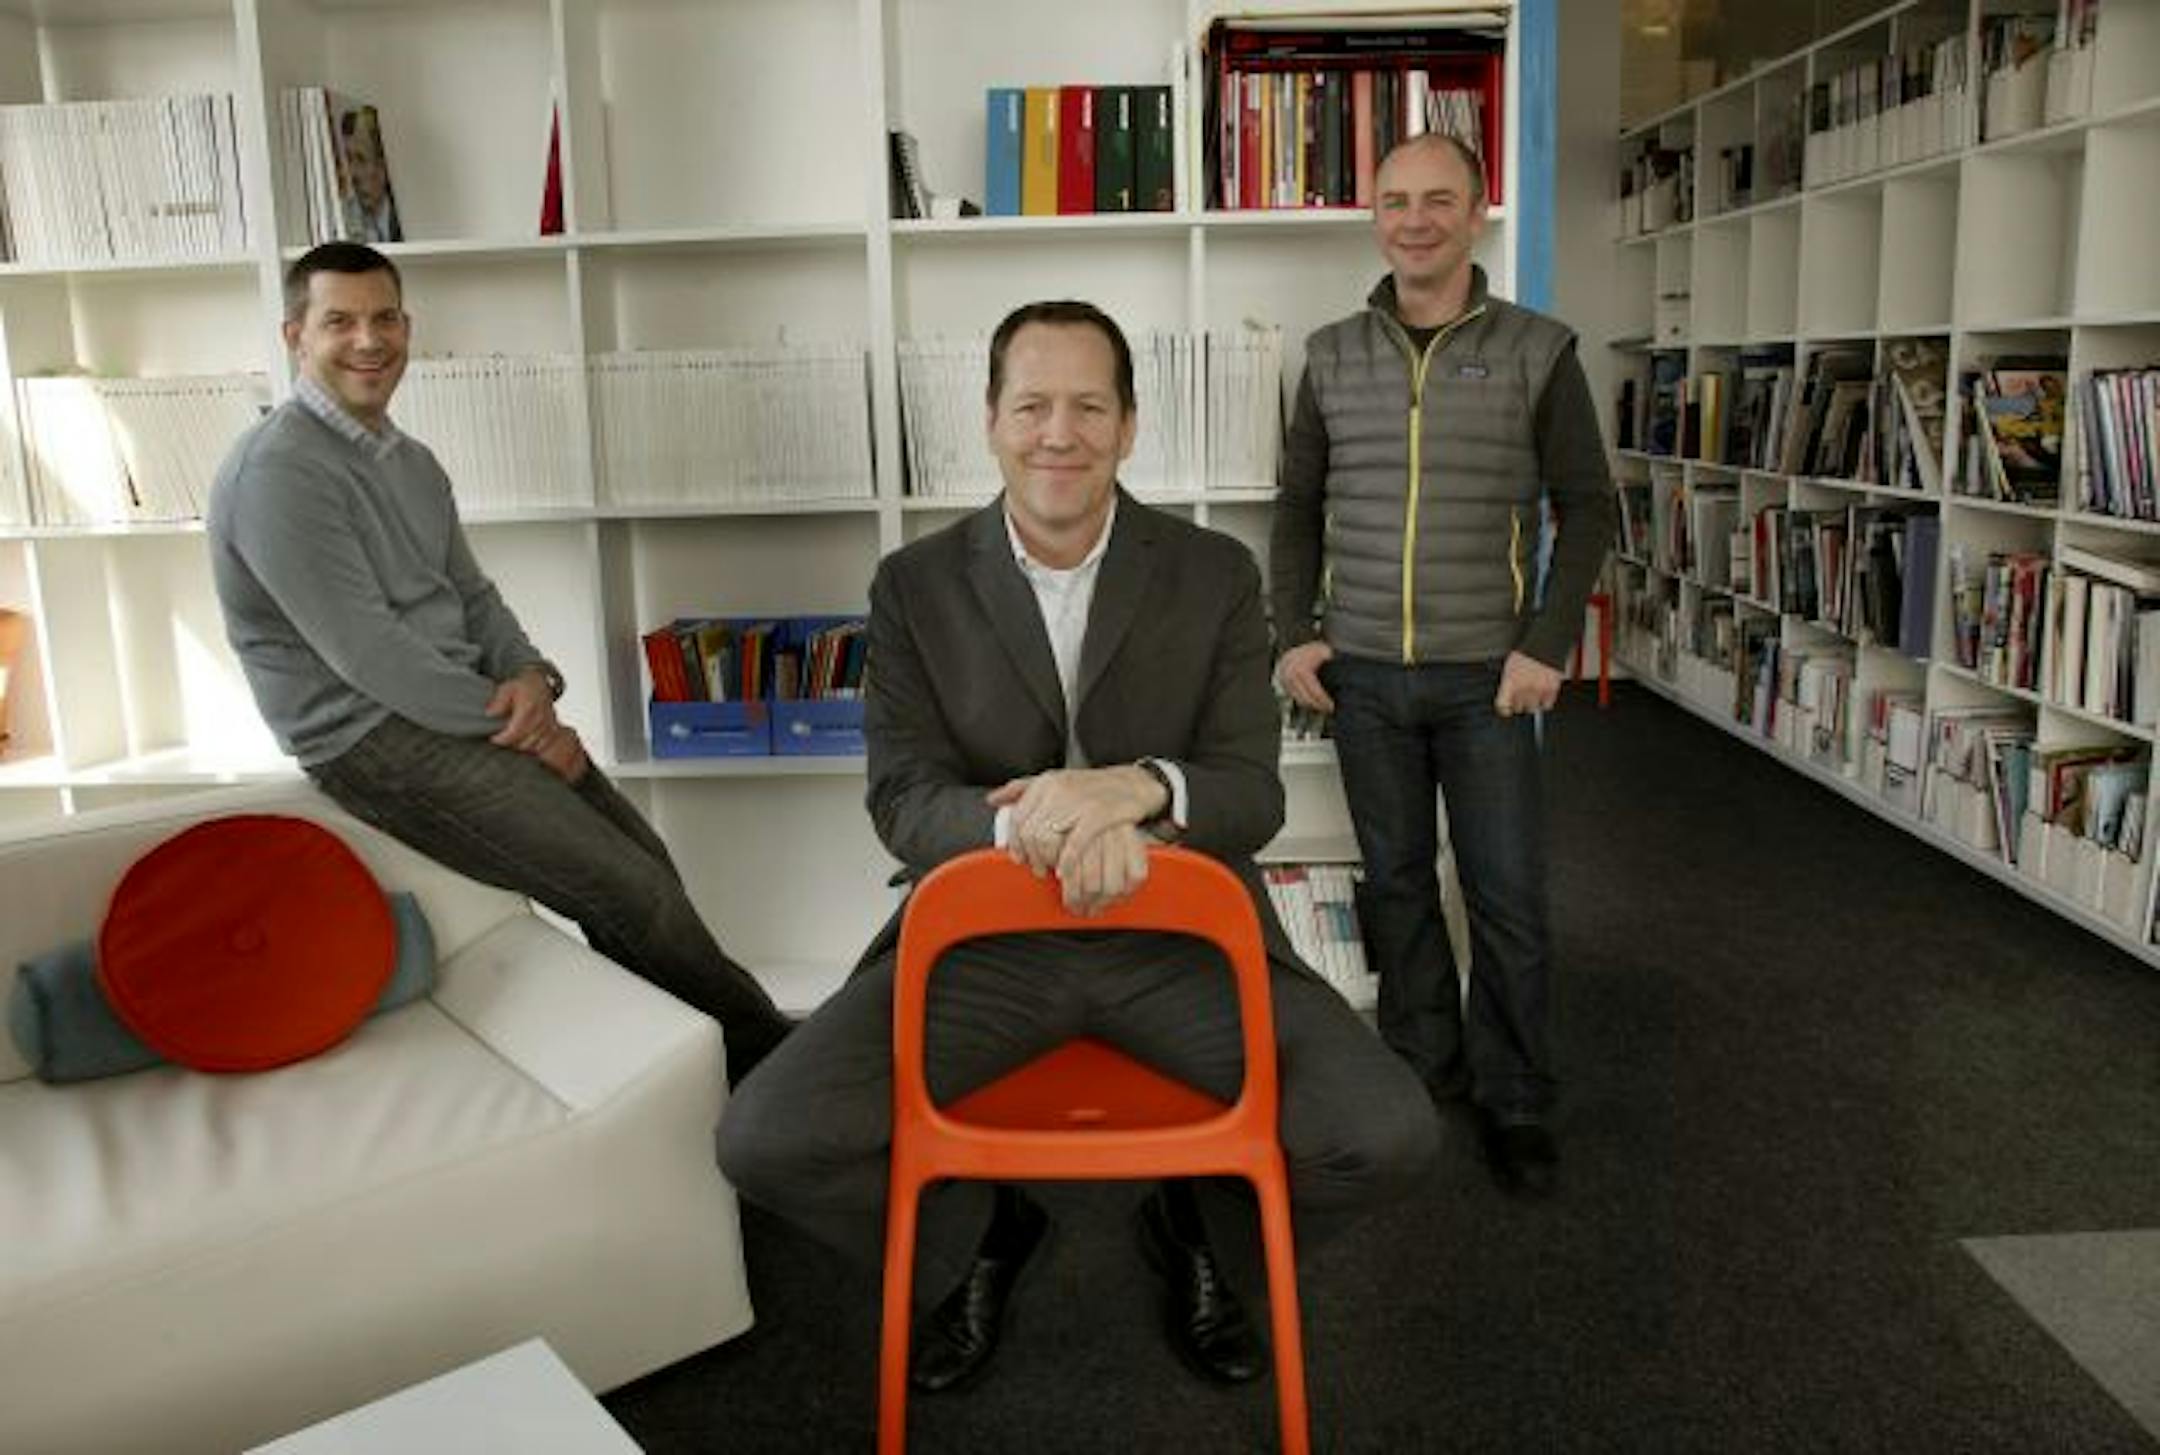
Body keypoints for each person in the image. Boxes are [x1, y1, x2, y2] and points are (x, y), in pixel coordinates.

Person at [718, 300, 1438, 1397]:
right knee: (767, 1139)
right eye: (1033, 405)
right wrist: (1039, 824)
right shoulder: (913, 586)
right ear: (991, 422)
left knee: (1383, 1135)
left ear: (1130, 426)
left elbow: (1249, 795)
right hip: (983, 949)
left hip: (1180, 945)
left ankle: (1200, 1225)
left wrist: (1140, 790)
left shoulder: (1214, 574)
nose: (1061, 432)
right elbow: (904, 801)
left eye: (1089, 406)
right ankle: (976, 1234)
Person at [207, 241, 790, 1079]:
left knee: (645, 865)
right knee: (627, 893)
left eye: (384, 319)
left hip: (467, 709)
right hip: (370, 735)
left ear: (408, 328)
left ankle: (688, 1068)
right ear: (296, 335)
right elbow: (367, 652)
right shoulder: (278, 471)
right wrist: (516, 726)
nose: (368, 340)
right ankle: (772, 1068)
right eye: (340, 322)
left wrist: (533, 681)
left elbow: (472, 598)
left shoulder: (409, 462)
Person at [1269, 134, 1616, 1199]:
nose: (1413, 219)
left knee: (1508, 896)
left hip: (1487, 682)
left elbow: (1589, 506)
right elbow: (1296, 509)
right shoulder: (1330, 354)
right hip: (1365, 676)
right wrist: (1294, 632)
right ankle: (1424, 1068)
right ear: (1374, 216)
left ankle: (1515, 1097)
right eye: (1393, 201)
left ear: (1477, 213)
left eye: (1438, 200)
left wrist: (1544, 646)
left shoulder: (1537, 349)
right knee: (1401, 884)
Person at [337, 105, 402, 244]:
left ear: (383, 166)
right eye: (349, 159)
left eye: (361, 159)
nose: (352, 173)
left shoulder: (405, 217)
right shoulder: (342, 218)